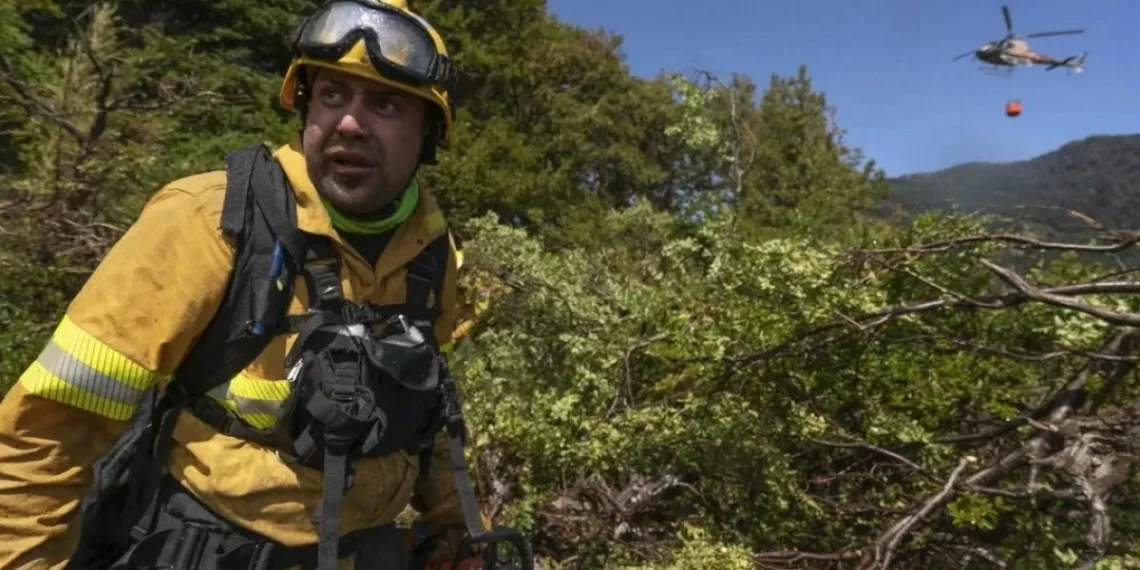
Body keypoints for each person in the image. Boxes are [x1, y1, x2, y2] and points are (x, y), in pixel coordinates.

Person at [0, 1, 492, 569]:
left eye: (384, 104)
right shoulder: (211, 220)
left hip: (370, 549)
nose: (350, 123)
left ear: (431, 131)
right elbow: (48, 430)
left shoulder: (436, 254)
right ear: (305, 107)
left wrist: (454, 529)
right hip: (208, 547)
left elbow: (430, 413)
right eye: (332, 95)